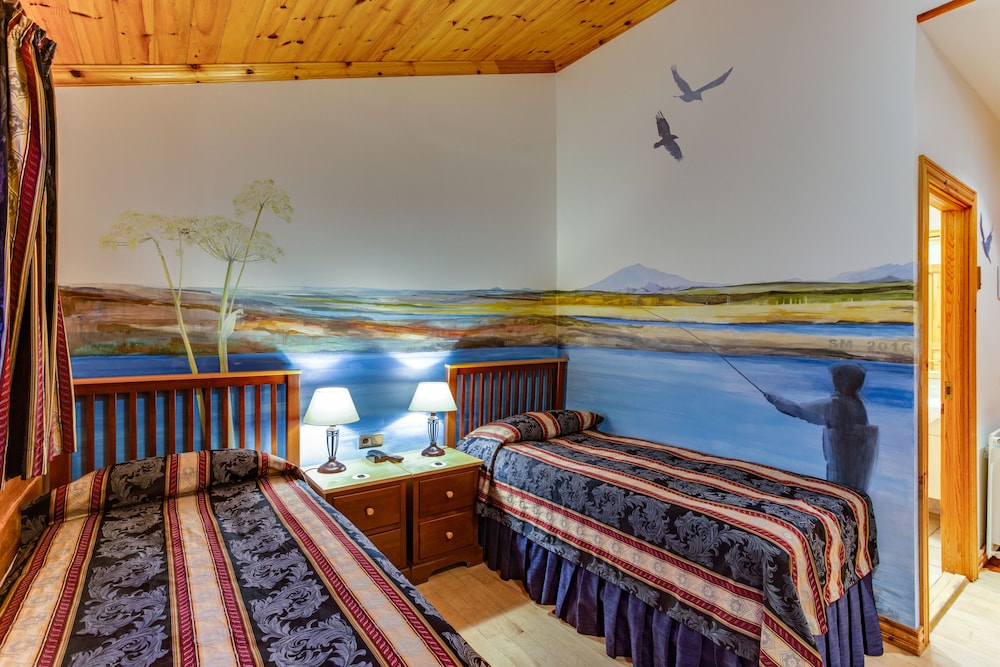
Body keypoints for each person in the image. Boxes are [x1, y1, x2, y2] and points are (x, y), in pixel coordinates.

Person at [764, 361, 878, 493]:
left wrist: (775, 400)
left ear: (843, 381)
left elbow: (800, 411)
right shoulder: (858, 405)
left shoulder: (836, 404)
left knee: (838, 490)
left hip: (841, 462)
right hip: (858, 466)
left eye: (836, 378)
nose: (834, 382)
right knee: (851, 491)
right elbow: (816, 417)